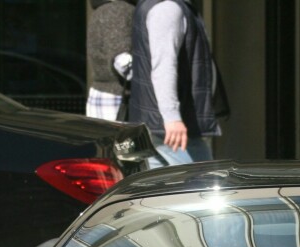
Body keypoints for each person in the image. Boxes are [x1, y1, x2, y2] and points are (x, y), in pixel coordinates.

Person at [127, 0, 225, 167]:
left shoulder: (155, 5)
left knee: (160, 189)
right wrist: (172, 117)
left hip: (158, 124)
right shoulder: (167, 8)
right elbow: (164, 66)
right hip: (172, 128)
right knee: (202, 185)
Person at [85, 0, 136, 121]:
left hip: (106, 95)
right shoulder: (117, 10)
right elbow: (121, 60)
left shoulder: (104, 10)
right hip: (117, 98)